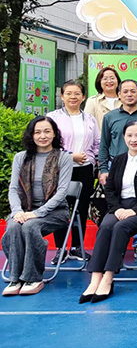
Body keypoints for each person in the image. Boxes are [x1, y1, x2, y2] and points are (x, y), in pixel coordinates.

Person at [79, 121, 137, 303]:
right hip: (119, 207)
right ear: (124, 137)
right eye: (129, 135)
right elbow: (109, 189)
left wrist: (135, 210)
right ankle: (95, 279)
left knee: (121, 227)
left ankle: (108, 278)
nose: (134, 139)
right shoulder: (118, 160)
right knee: (106, 226)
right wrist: (117, 208)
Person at [2, 117, 72, 297]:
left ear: (54, 134)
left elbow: (62, 192)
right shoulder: (21, 157)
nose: (43, 136)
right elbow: (13, 188)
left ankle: (33, 278)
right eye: (37, 132)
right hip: (24, 210)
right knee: (13, 226)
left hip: (55, 212)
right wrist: (17, 211)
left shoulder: (64, 158)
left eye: (47, 131)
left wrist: (37, 213)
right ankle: (16, 278)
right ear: (31, 135)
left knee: (30, 226)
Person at [97, 79, 137, 262]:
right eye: (125, 91)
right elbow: (104, 145)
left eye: (133, 91)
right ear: (119, 94)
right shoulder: (110, 117)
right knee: (117, 204)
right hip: (116, 167)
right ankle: (115, 246)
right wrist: (103, 169)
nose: (129, 94)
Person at [46, 81, 101, 264]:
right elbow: (47, 144)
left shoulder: (90, 119)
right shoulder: (52, 118)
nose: (73, 97)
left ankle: (77, 246)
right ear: (62, 96)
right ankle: (60, 248)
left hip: (85, 170)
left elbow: (97, 144)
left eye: (77, 93)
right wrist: (70, 156)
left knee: (81, 209)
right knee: (60, 207)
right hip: (60, 168)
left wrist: (94, 163)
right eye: (68, 93)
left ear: (83, 97)